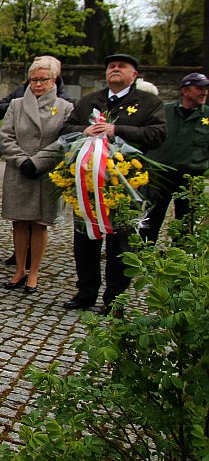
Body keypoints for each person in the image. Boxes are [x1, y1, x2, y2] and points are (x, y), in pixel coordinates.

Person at [60, 53, 166, 315]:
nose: (115, 69)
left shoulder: (148, 102)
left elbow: (157, 134)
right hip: (87, 184)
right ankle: (86, 292)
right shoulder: (89, 101)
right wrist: (84, 131)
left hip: (125, 184)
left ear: (134, 74)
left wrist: (117, 131)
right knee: (85, 239)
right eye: (111, 66)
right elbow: (66, 128)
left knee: (120, 243)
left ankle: (114, 298)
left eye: (122, 66)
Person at [0, 55, 75, 294]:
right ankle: (19, 269)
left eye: (43, 79)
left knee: (39, 224)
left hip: (45, 173)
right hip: (19, 171)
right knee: (19, 222)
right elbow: (6, 136)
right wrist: (22, 160)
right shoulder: (17, 105)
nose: (38, 84)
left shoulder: (65, 108)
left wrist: (38, 161)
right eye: (34, 79)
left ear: (54, 80)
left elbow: (65, 141)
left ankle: (34, 271)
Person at [140, 71, 209, 243]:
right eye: (199, 88)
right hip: (160, 174)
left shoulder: (207, 115)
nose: (204, 92)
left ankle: (179, 258)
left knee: (187, 220)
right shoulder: (164, 111)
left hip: (192, 177)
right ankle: (142, 253)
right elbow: (146, 137)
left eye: (206, 88)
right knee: (151, 217)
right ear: (184, 91)